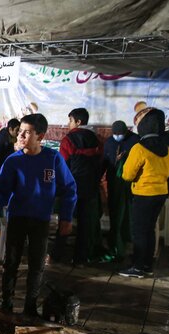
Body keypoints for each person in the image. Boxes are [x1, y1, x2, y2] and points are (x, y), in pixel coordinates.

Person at [0, 113, 77, 316]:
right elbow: (2, 191)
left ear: (40, 136)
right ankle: (7, 302)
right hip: (17, 218)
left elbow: (69, 188)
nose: (20, 136)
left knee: (37, 264)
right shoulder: (13, 161)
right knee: (11, 262)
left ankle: (30, 306)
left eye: (27, 132)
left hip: (41, 220)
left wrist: (66, 218)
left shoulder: (53, 158)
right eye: (20, 131)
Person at [119, 108, 169, 278]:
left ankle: (138, 267)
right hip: (160, 193)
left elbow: (127, 175)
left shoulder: (139, 148)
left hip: (144, 194)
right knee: (149, 230)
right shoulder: (167, 148)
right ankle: (147, 265)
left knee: (139, 231)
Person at [52, 108, 103, 266]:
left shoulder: (68, 140)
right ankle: (80, 258)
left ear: (78, 122)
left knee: (65, 221)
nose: (69, 124)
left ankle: (56, 256)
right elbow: (100, 162)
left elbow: (63, 165)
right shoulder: (96, 139)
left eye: (70, 120)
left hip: (72, 187)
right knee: (85, 224)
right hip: (91, 187)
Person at [101, 121, 139, 263]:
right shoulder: (109, 142)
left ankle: (126, 239)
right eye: (115, 134)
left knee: (128, 212)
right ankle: (115, 240)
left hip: (130, 185)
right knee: (115, 211)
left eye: (120, 134)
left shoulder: (135, 141)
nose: (117, 137)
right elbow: (105, 160)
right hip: (114, 183)